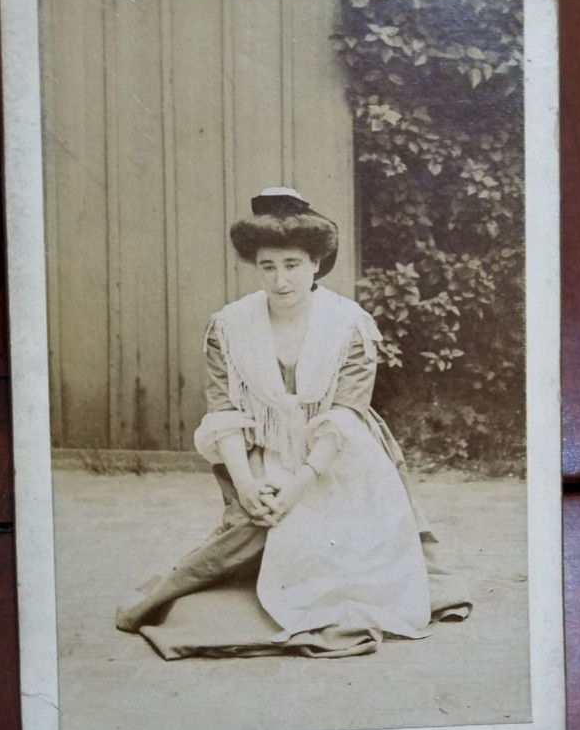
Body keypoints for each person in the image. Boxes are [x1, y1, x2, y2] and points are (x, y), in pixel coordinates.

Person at [116, 188, 470, 657]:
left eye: (293, 265)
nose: (280, 281)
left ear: (316, 263)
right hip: (266, 452)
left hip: (337, 458)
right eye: (268, 266)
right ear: (255, 265)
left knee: (339, 572)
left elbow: (346, 415)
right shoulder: (228, 326)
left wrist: (300, 486)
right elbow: (224, 413)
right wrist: (245, 483)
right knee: (262, 540)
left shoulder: (351, 325)